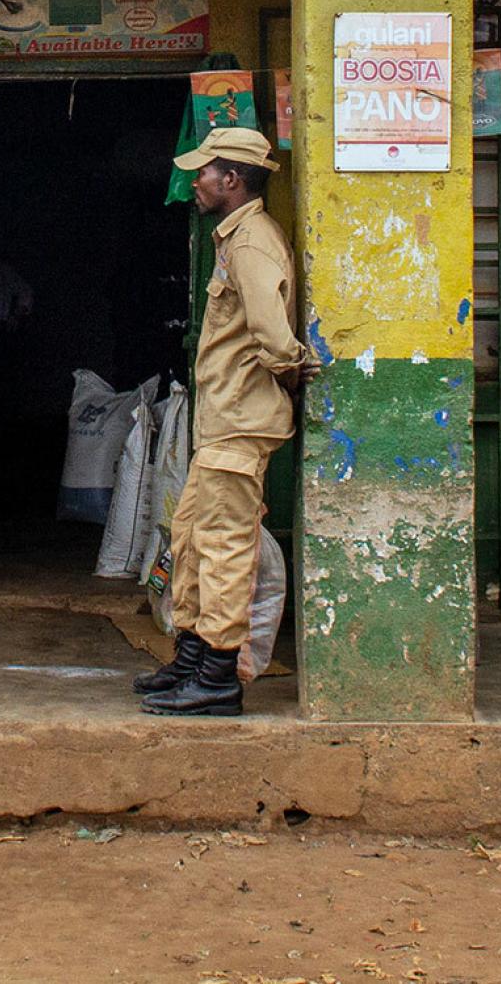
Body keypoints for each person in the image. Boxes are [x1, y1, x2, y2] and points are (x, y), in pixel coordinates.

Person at [138, 125, 312, 717]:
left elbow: (273, 337)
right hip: (224, 424)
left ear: (231, 179)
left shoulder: (252, 242)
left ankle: (216, 676)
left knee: (223, 548)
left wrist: (288, 377)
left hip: (240, 423)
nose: (194, 182)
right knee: (191, 539)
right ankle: (190, 659)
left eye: (203, 172)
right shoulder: (234, 238)